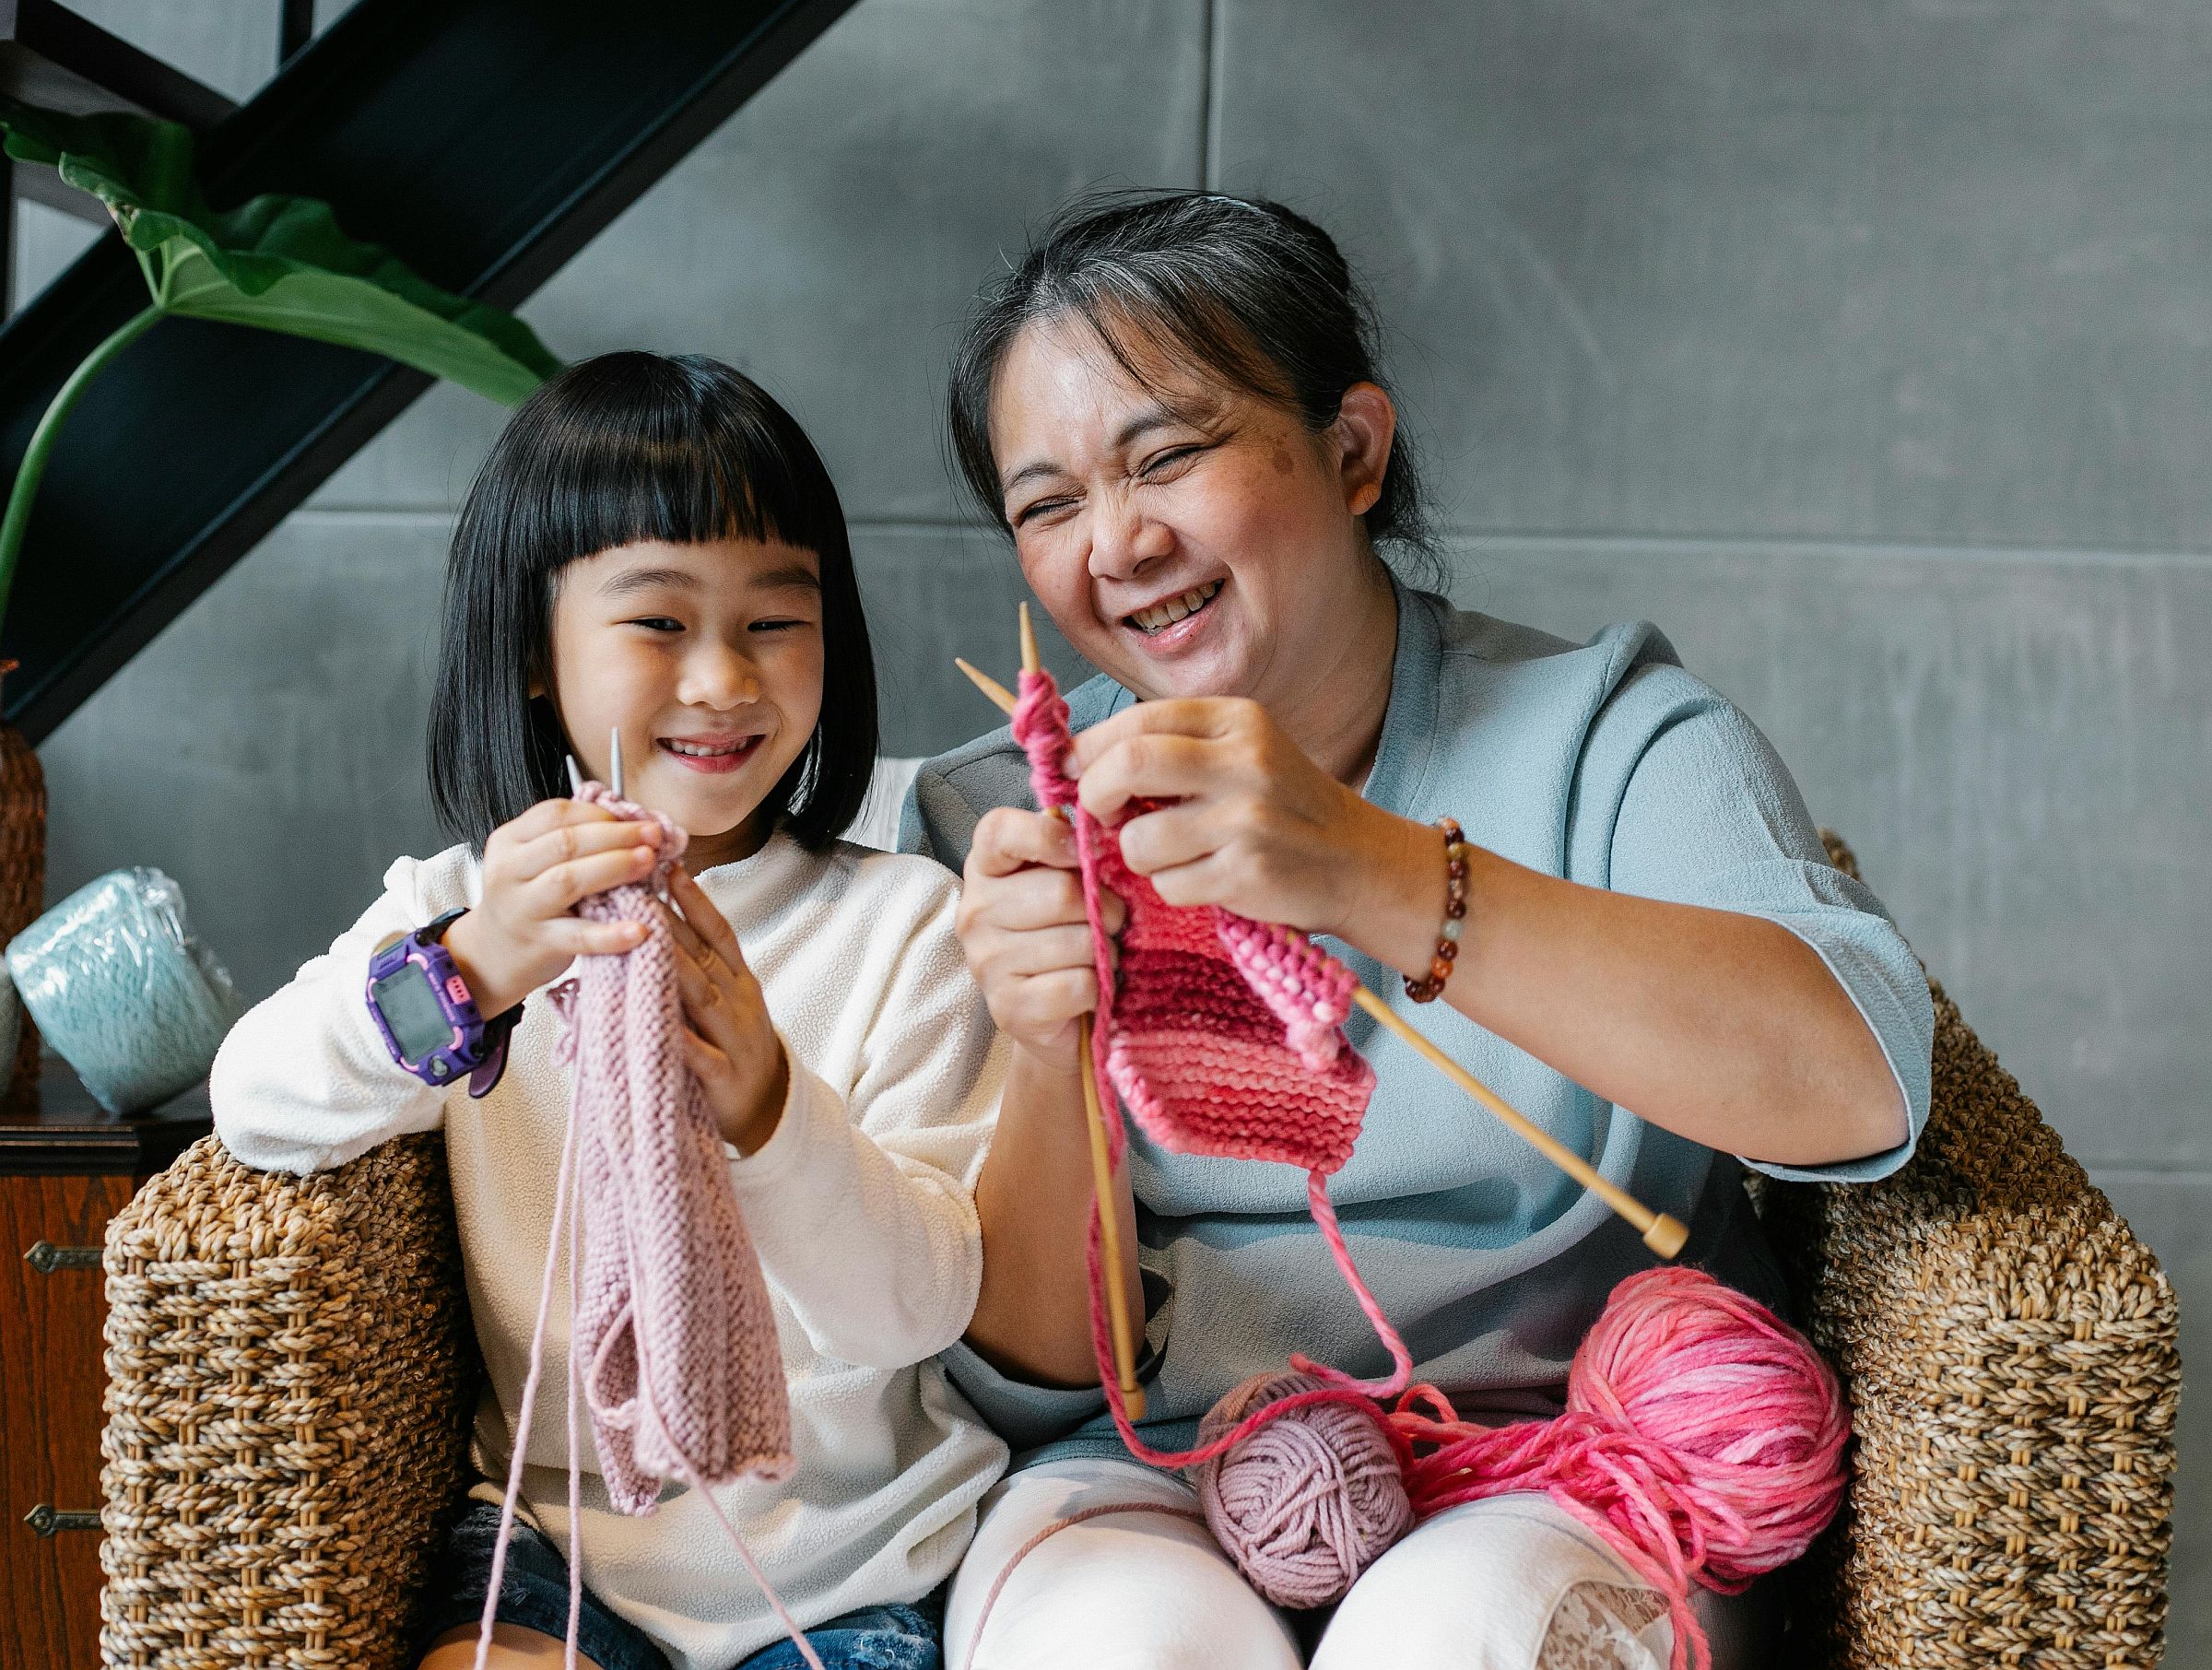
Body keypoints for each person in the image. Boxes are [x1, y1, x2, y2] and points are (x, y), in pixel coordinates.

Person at [904, 192, 1934, 1670]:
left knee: (1449, 1637)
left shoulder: (1614, 739)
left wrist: (1383, 873)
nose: (1118, 543)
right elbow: (1030, 1377)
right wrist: (1041, 1043)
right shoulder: (990, 825)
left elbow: (1860, 1083)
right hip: (1156, 1478)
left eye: (1170, 455)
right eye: (1047, 504)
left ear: (1354, 450)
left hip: (1565, 1468)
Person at [212, 353, 1008, 1670]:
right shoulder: (470, 904)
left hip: (848, 1569)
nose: (722, 681)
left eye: (774, 620)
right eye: (657, 624)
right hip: (554, 1546)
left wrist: (770, 1110)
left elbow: (920, 1307)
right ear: (537, 650)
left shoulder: (904, 926)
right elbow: (257, 1103)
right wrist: (470, 970)